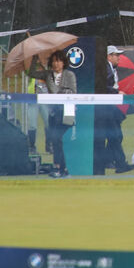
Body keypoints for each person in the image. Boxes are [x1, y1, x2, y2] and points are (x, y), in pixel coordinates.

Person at [36, 50, 77, 178]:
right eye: (54, 61)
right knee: (55, 139)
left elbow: (72, 92)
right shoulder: (48, 75)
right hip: (54, 112)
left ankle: (59, 168)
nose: (56, 64)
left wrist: (59, 91)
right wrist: (34, 59)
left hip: (67, 111)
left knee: (57, 138)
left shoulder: (69, 75)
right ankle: (62, 169)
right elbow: (32, 73)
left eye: (59, 61)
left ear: (64, 62)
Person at [103, 45, 133, 173]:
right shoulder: (106, 69)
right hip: (107, 107)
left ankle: (109, 161)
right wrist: (117, 92)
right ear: (109, 56)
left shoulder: (112, 69)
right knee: (116, 135)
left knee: (115, 136)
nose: (119, 58)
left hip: (111, 106)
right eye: (116, 55)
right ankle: (120, 164)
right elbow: (103, 87)